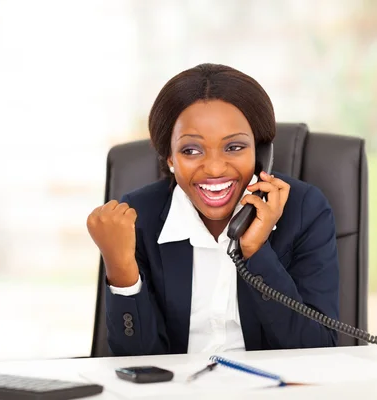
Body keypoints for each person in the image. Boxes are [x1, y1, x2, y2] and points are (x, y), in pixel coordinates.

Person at [86, 63, 339, 356]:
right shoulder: (138, 218)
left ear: (260, 152)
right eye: (191, 150)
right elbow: (137, 363)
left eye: (234, 147)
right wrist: (121, 269)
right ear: (169, 157)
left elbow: (318, 350)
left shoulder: (305, 210)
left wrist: (256, 252)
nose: (215, 168)